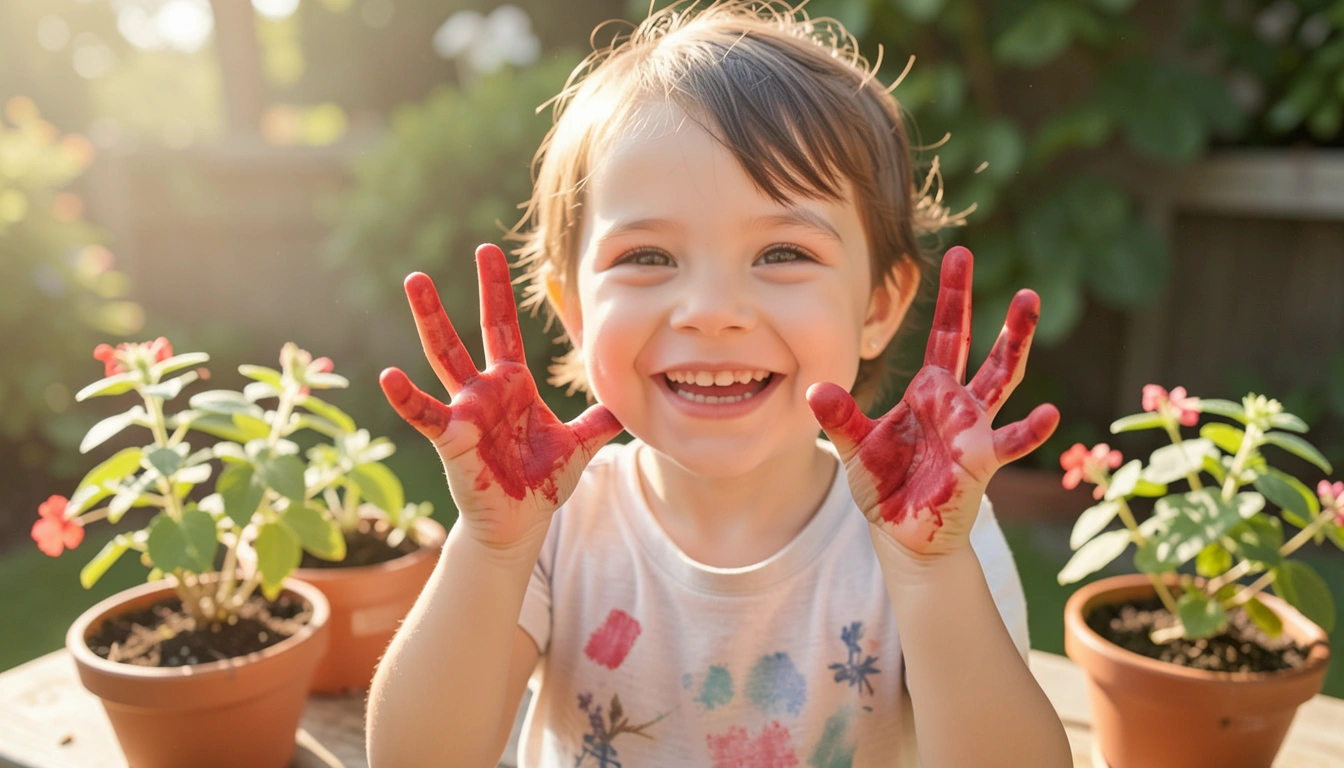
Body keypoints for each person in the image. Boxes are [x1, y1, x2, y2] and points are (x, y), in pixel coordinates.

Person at [366, 2, 1071, 766]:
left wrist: (932, 576)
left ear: (877, 306)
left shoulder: (932, 534)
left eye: (782, 254)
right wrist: (490, 548)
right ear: (573, 311)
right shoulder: (555, 525)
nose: (711, 310)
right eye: (647, 257)